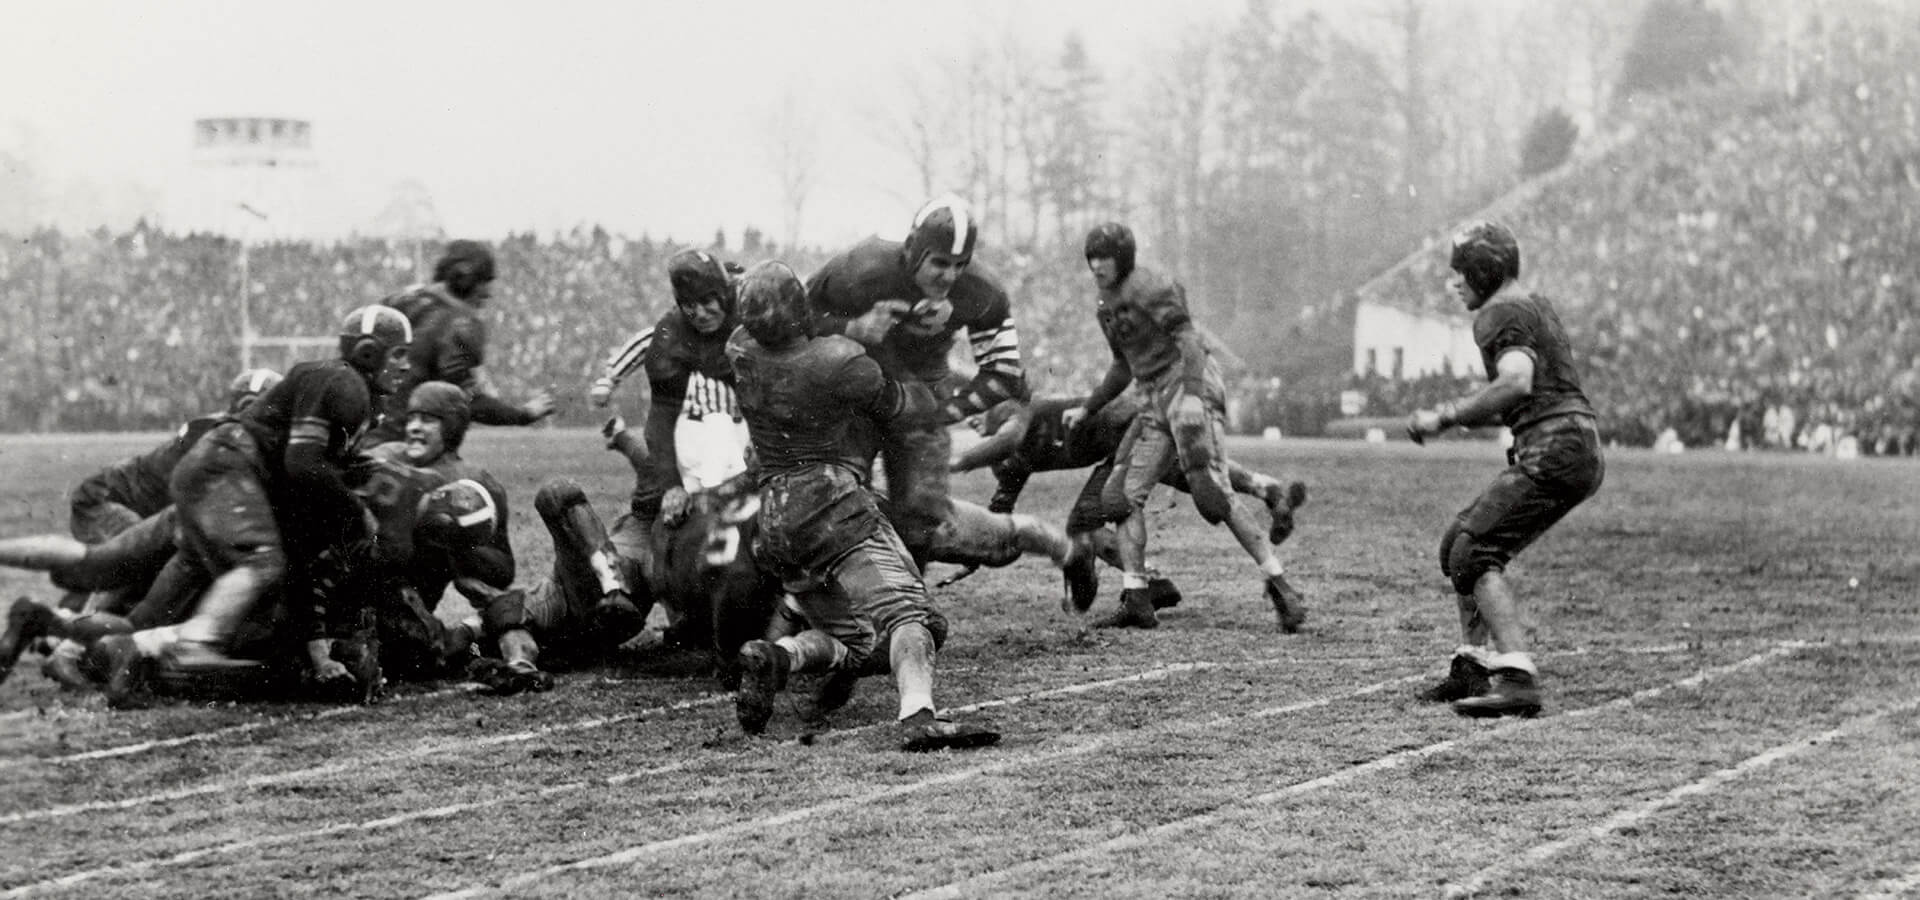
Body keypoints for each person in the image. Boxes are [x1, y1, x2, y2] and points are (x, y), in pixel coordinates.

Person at [727, 261, 997, 751]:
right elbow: (903, 405)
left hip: (775, 517)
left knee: (856, 642)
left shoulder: (741, 348)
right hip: (833, 509)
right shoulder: (837, 363)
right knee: (912, 614)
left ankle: (779, 656)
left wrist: (852, 327)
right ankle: (919, 715)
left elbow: (761, 324)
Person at [806, 194, 1087, 601]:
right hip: (860, 394)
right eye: (939, 262)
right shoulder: (861, 268)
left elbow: (1004, 375)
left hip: (922, 397)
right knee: (838, 499)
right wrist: (850, 328)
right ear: (912, 252)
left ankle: (1044, 540)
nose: (948, 276)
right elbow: (792, 317)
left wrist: (944, 412)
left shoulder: (982, 290)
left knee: (922, 523)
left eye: (959, 265)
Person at [1064, 222, 1307, 631]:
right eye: (1091, 257)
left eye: (1103, 256)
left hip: (1184, 382)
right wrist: (1089, 408)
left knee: (1212, 493)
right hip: (1150, 396)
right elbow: (1124, 366)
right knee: (1120, 496)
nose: (1095, 265)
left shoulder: (1152, 286)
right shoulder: (1105, 304)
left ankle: (1281, 585)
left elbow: (1190, 342)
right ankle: (1137, 597)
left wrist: (1193, 395)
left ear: (1121, 257)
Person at [1406, 220, 1604, 718]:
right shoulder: (1530, 303)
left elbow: (1516, 382)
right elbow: (1524, 394)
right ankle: (1472, 664)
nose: (1453, 283)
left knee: (1475, 551)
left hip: (1555, 445)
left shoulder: (1499, 311)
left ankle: (1517, 676)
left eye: (1459, 272)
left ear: (1483, 269)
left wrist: (1445, 416)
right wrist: (1456, 417)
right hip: (1567, 441)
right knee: (1457, 545)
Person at [156, 305, 414, 675]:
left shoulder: (357, 394)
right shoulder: (344, 382)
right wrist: (356, 512)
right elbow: (303, 464)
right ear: (369, 352)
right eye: (399, 353)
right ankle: (193, 647)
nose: (406, 365)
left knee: (263, 619)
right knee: (262, 563)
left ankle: (138, 646)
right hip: (229, 466)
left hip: (228, 472)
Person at [951, 392, 1307, 612]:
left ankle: (1149, 584)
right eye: (968, 412)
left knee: (1084, 524)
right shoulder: (1007, 460)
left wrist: (959, 462)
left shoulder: (1020, 414)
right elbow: (999, 517)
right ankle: (1269, 490)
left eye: (979, 409)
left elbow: (1008, 436)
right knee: (1186, 474)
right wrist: (973, 552)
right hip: (1128, 435)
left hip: (1128, 431)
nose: (972, 418)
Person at [586, 249, 745, 636]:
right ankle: (690, 614)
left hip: (752, 434)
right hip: (702, 446)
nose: (701, 314)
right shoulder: (669, 335)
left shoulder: (753, 317)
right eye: (690, 306)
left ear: (726, 294)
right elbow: (661, 419)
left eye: (709, 301)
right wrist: (673, 484)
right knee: (686, 524)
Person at [366, 240, 555, 445]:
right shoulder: (459, 324)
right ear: (465, 279)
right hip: (399, 445)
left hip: (362, 436)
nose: (487, 293)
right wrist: (523, 414)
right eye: (484, 282)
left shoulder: (401, 300)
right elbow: (466, 401)